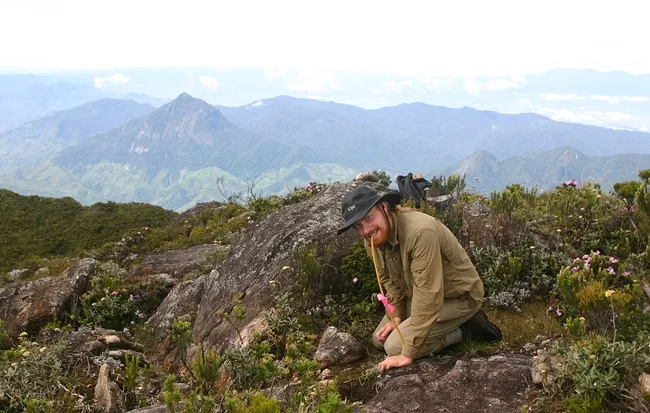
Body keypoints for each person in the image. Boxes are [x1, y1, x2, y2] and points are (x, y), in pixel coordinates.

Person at [337, 185, 501, 372]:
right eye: (358, 226)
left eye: (368, 218)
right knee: (378, 339)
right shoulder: (373, 240)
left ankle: (465, 331)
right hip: (416, 294)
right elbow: (390, 282)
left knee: (394, 347)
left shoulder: (421, 232)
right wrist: (397, 314)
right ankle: (447, 327)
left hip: (458, 296)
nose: (366, 230)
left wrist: (408, 354)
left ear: (384, 207)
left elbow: (428, 294)